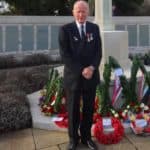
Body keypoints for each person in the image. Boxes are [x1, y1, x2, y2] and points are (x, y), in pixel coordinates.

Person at [58, 0, 102, 150]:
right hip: (74, 78)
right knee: (73, 110)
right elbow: (65, 55)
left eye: (84, 11)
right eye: (78, 11)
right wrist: (82, 70)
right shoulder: (65, 30)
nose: (81, 14)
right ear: (73, 13)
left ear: (88, 12)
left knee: (89, 109)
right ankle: (73, 139)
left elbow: (98, 52)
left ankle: (86, 138)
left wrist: (92, 67)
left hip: (91, 76)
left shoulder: (94, 28)